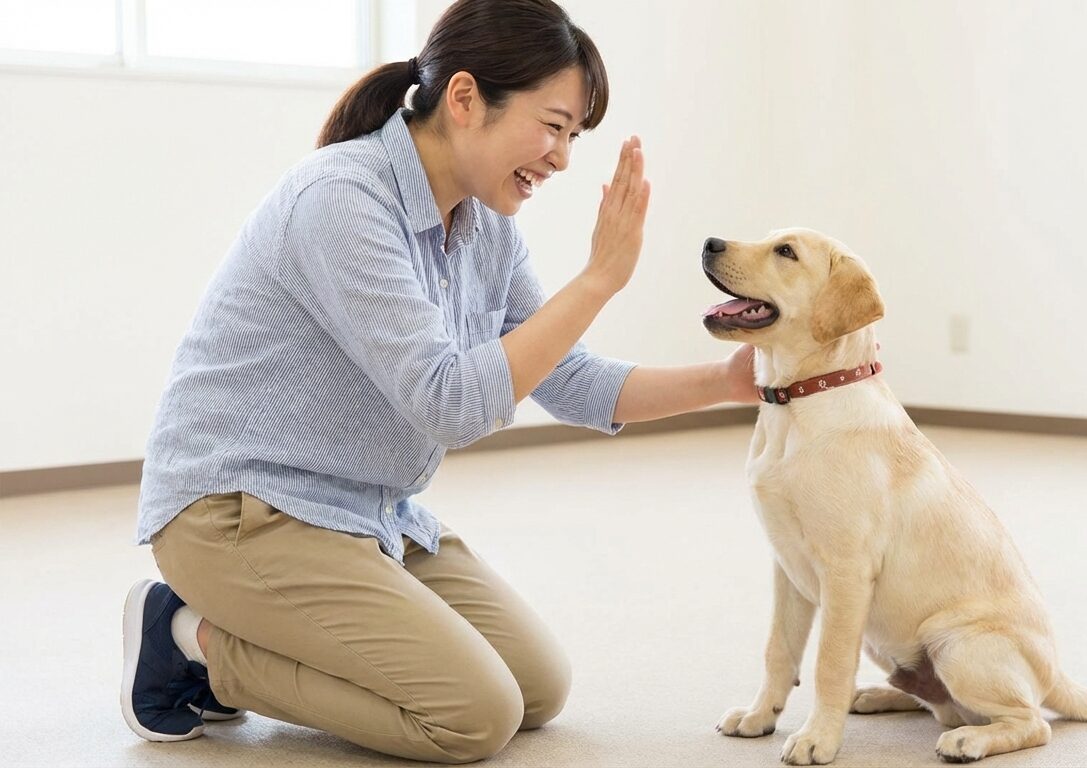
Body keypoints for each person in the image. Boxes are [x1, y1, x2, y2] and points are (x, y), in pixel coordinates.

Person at [119, 0, 757, 762]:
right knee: (473, 717)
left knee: (538, 686)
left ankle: (237, 631)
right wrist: (600, 280)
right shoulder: (342, 201)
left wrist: (730, 379)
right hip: (237, 514)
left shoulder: (485, 226)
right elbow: (452, 403)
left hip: (364, 511)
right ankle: (190, 641)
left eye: (573, 136)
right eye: (553, 126)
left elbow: (570, 378)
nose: (561, 158)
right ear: (463, 100)